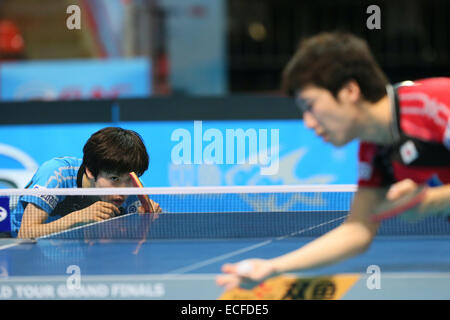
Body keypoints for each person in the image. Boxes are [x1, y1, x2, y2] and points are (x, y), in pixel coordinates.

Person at [216, 32, 450, 290]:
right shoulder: (374, 151)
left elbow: (428, 201)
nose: (308, 122)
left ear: (350, 90)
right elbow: (357, 231)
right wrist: (273, 267)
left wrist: (430, 201)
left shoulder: (435, 103)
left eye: (310, 105)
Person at [11, 126, 161, 239]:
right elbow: (25, 233)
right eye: (114, 179)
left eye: (128, 180)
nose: (123, 190)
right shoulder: (56, 174)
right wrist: (77, 217)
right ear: (90, 171)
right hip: (16, 247)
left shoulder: (133, 187)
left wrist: (146, 222)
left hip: (75, 254)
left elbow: (140, 241)